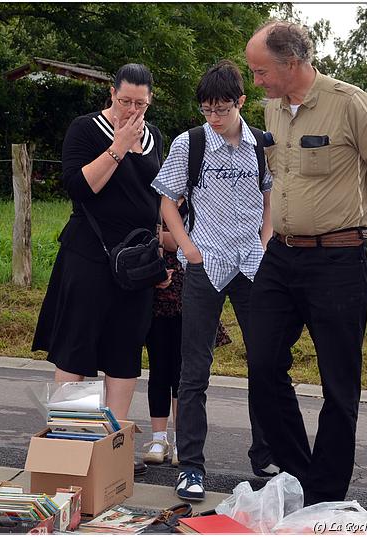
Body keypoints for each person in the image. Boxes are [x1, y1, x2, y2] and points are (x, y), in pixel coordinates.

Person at [244, 21, 367, 505]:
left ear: (291, 63)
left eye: (260, 71)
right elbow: (278, 171)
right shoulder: (273, 107)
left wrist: (353, 213)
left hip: (338, 259)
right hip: (281, 254)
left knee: (339, 382)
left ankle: (325, 492)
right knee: (263, 363)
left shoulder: (348, 103)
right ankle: (298, 473)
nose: (256, 82)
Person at [32, 64, 169, 474]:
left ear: (150, 100)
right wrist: (118, 147)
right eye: (124, 100)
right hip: (89, 256)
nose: (131, 109)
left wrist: (161, 257)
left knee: (125, 350)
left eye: (139, 103)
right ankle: (69, 439)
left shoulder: (155, 135)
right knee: (77, 345)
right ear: (112, 94)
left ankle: (114, 441)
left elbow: (157, 195)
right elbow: (78, 186)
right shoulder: (85, 129)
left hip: (137, 262)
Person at [151, 59, 278, 501]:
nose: (214, 116)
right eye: (207, 109)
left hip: (251, 265)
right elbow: (168, 202)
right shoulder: (191, 143)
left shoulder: (261, 144)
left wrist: (264, 240)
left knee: (265, 362)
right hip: (205, 264)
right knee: (194, 370)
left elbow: (270, 197)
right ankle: (191, 467)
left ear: (240, 102)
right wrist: (187, 248)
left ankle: (266, 457)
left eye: (222, 108)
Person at [142, 205, 232, 468]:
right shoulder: (158, 202)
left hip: (194, 296)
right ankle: (159, 438)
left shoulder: (203, 199)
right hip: (159, 299)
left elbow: (179, 239)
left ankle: (184, 441)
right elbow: (153, 235)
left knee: (185, 372)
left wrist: (168, 237)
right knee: (159, 370)